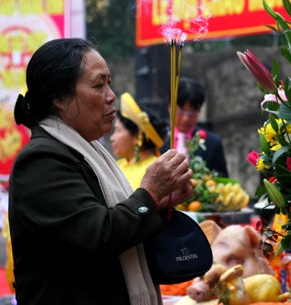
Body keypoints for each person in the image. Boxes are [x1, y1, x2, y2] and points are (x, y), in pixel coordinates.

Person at [9, 38, 193, 305]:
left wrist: (158, 204)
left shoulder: (87, 152)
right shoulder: (40, 159)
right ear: (59, 98)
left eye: (109, 82)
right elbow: (99, 234)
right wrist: (149, 196)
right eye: (98, 84)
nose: (111, 95)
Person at [169, 77, 229, 178]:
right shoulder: (157, 139)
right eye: (181, 111)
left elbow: (222, 179)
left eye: (192, 113)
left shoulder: (212, 143)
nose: (185, 118)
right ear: (169, 106)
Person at [111, 93, 168, 189]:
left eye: (118, 130)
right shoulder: (118, 165)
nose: (112, 138)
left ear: (137, 136)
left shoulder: (156, 170)